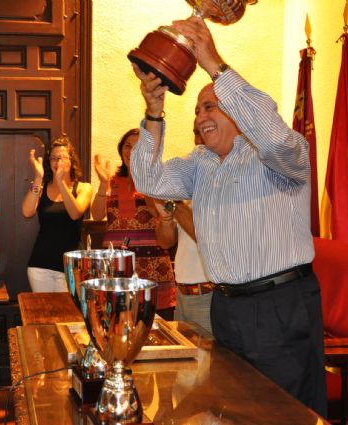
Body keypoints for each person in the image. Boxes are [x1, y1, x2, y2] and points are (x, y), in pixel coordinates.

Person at [130, 16, 327, 417]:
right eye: (199, 108)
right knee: (235, 411)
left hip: (279, 306)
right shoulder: (200, 164)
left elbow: (270, 133)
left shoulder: (280, 155)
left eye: (212, 106)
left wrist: (213, 64)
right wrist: (154, 111)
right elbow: (149, 178)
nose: (201, 116)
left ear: (239, 113)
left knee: (284, 415)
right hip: (226, 308)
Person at [90, 129, 176, 316]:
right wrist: (104, 184)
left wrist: (144, 178)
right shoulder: (112, 180)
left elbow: (156, 212)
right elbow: (96, 215)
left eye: (138, 148)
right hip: (117, 269)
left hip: (153, 270)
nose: (131, 152)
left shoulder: (157, 180)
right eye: (127, 146)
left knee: (157, 334)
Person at [154, 128, 212, 333]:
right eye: (195, 132)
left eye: (204, 132)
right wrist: (167, 217)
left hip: (208, 295)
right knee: (186, 363)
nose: (198, 139)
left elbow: (204, 236)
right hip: (183, 293)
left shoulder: (218, 182)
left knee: (210, 364)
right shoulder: (190, 182)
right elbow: (166, 242)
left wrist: (174, 200)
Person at [21, 135, 93, 292]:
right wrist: (38, 178)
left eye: (61, 157)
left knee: (69, 316)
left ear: (71, 161)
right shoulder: (42, 186)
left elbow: (75, 213)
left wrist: (61, 182)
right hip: (40, 265)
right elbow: (27, 211)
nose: (57, 162)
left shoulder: (83, 188)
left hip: (71, 267)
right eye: (53, 158)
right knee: (44, 315)